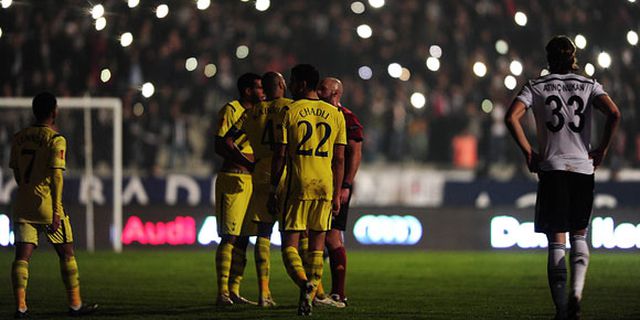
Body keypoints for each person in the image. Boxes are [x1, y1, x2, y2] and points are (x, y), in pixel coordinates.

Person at [505, 36, 621, 320]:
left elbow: (511, 117)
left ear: (549, 58)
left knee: (556, 240)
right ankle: (577, 294)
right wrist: (602, 149)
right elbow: (614, 113)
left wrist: (528, 152)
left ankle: (561, 310)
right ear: (574, 57)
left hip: (552, 167)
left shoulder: (536, 86)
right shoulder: (589, 85)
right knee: (579, 233)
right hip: (582, 167)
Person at [9, 92, 99, 318]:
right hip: (47, 207)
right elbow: (57, 177)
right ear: (54, 112)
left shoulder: (19, 137)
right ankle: (75, 304)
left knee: (22, 257)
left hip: (23, 204)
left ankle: (21, 308)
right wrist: (56, 210)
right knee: (67, 254)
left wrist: (28, 190)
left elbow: (17, 172)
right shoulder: (56, 139)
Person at [268, 64, 346, 316]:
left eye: (292, 81)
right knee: (316, 245)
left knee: (289, 245)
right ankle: (311, 298)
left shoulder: (290, 110)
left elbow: (280, 155)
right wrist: (336, 194)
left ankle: (305, 283)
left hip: (298, 183)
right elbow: (339, 159)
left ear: (301, 84)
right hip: (324, 185)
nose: (290, 85)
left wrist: (273, 187)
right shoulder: (335, 114)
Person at [223, 71, 292, 307]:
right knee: (298, 232)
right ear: (282, 85)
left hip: (260, 171)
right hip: (284, 172)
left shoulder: (251, 112)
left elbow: (228, 139)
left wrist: (251, 162)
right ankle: (313, 289)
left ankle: (263, 292)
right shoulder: (290, 108)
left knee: (263, 233)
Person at [214, 73, 263, 306]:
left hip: (253, 181)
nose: (263, 92)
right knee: (230, 236)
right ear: (247, 91)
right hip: (233, 178)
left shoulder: (260, 114)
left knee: (244, 238)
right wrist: (246, 161)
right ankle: (222, 292)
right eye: (259, 88)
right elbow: (219, 144)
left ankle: (234, 291)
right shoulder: (231, 110)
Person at [315, 77, 363, 307]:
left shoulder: (347, 117)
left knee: (332, 236)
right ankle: (317, 291)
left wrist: (345, 185)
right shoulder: (313, 112)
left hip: (335, 186)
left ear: (335, 92)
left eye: (323, 87)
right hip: (315, 182)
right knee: (312, 235)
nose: (318, 90)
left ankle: (338, 293)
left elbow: (354, 153)